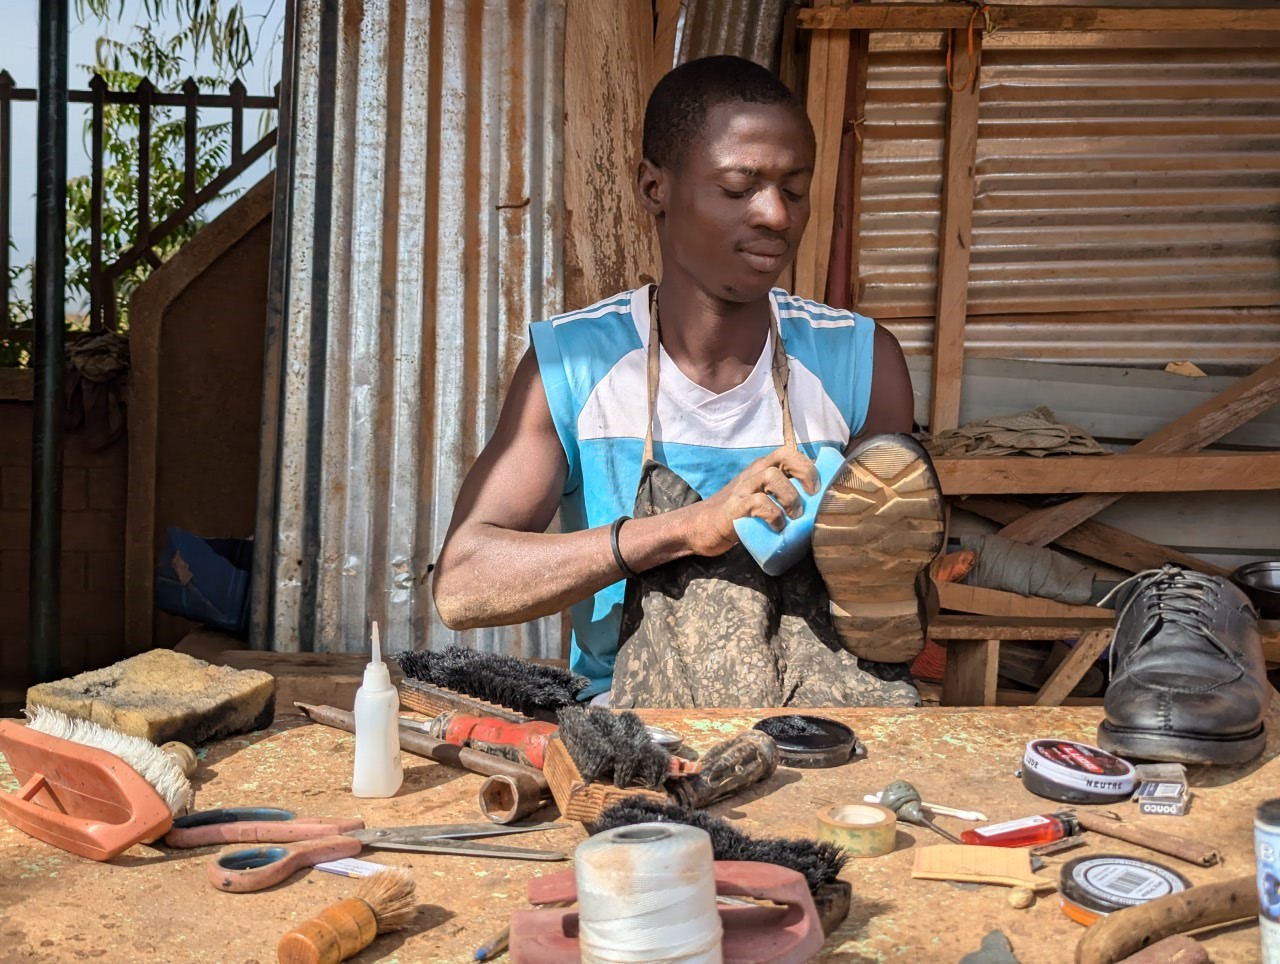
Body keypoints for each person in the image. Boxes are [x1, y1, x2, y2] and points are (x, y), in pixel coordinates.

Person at [433, 55, 944, 709]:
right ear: (655, 188)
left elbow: (908, 617)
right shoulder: (575, 364)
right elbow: (461, 585)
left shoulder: (859, 360)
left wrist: (882, 577)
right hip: (642, 719)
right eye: (740, 186)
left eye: (794, 188)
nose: (776, 215)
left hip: (823, 711)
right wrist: (686, 528)